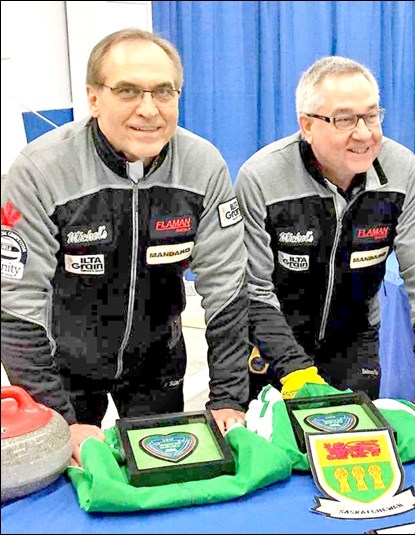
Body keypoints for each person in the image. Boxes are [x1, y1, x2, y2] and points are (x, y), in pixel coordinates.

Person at [1, 29, 250, 466]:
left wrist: (229, 396)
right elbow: (15, 304)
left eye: (163, 92)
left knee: (163, 492)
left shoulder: (204, 164)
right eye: (128, 91)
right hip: (62, 370)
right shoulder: (40, 170)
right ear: (94, 98)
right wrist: (58, 417)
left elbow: (227, 288)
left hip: (158, 364)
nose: (148, 109)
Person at [235, 56, 415, 414]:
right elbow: (253, 288)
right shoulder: (261, 178)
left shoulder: (403, 170)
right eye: (344, 119)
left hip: (355, 341)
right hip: (271, 344)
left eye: (372, 115)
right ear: (307, 125)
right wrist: (295, 370)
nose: (364, 133)